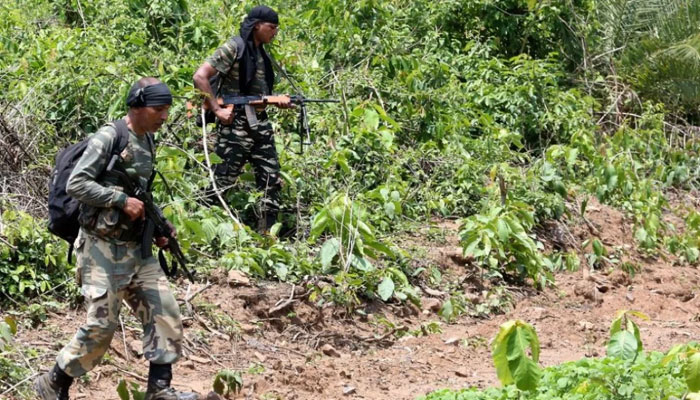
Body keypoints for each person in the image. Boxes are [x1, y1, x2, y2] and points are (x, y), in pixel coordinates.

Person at [34, 78, 198, 400]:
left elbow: (141, 190)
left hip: (138, 250)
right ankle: (53, 382)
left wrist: (160, 226)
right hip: (101, 249)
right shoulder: (109, 137)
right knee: (100, 329)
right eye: (159, 109)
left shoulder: (148, 139)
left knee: (164, 312)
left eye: (167, 109)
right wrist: (119, 201)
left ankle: (159, 390)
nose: (165, 116)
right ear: (137, 106)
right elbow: (77, 184)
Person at [193, 5, 291, 233]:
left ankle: (266, 236)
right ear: (257, 25)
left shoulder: (261, 52)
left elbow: (257, 95)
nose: (275, 32)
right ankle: (203, 230)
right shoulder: (234, 47)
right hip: (235, 125)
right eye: (272, 27)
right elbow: (200, 76)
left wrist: (277, 101)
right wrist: (217, 110)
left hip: (259, 124)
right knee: (222, 181)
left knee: (271, 179)